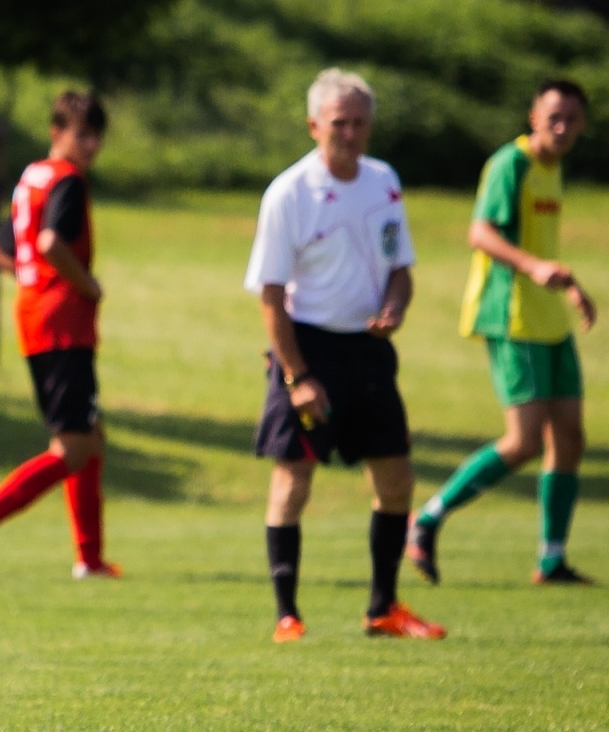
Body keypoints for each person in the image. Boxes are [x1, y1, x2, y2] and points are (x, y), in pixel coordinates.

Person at [246, 68, 444, 644]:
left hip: (369, 349)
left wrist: (396, 307)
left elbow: (401, 269)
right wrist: (297, 374)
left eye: (360, 122)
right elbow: (271, 296)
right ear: (314, 125)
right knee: (294, 479)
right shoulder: (288, 193)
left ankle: (383, 608)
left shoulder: (383, 181)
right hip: (307, 346)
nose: (351, 133)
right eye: (339, 123)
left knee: (396, 478)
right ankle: (288, 614)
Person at [409, 81, 597, 585]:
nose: (561, 128)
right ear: (533, 115)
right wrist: (534, 268)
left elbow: (540, 245)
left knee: (571, 438)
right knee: (524, 441)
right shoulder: (508, 165)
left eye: (572, 119)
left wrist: (570, 286)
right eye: (553, 116)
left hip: (548, 319)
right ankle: (426, 518)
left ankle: (551, 558)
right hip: (510, 315)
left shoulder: (553, 170)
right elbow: (481, 233)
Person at [0, 91, 119, 580]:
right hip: (64, 324)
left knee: (91, 437)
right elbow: (49, 243)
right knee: (72, 447)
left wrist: (33, 279)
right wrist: (87, 285)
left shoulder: (32, 178)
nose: (89, 146)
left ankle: (90, 558)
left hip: (36, 319)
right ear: (57, 131)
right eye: (81, 134)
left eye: (95, 137)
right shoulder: (66, 181)